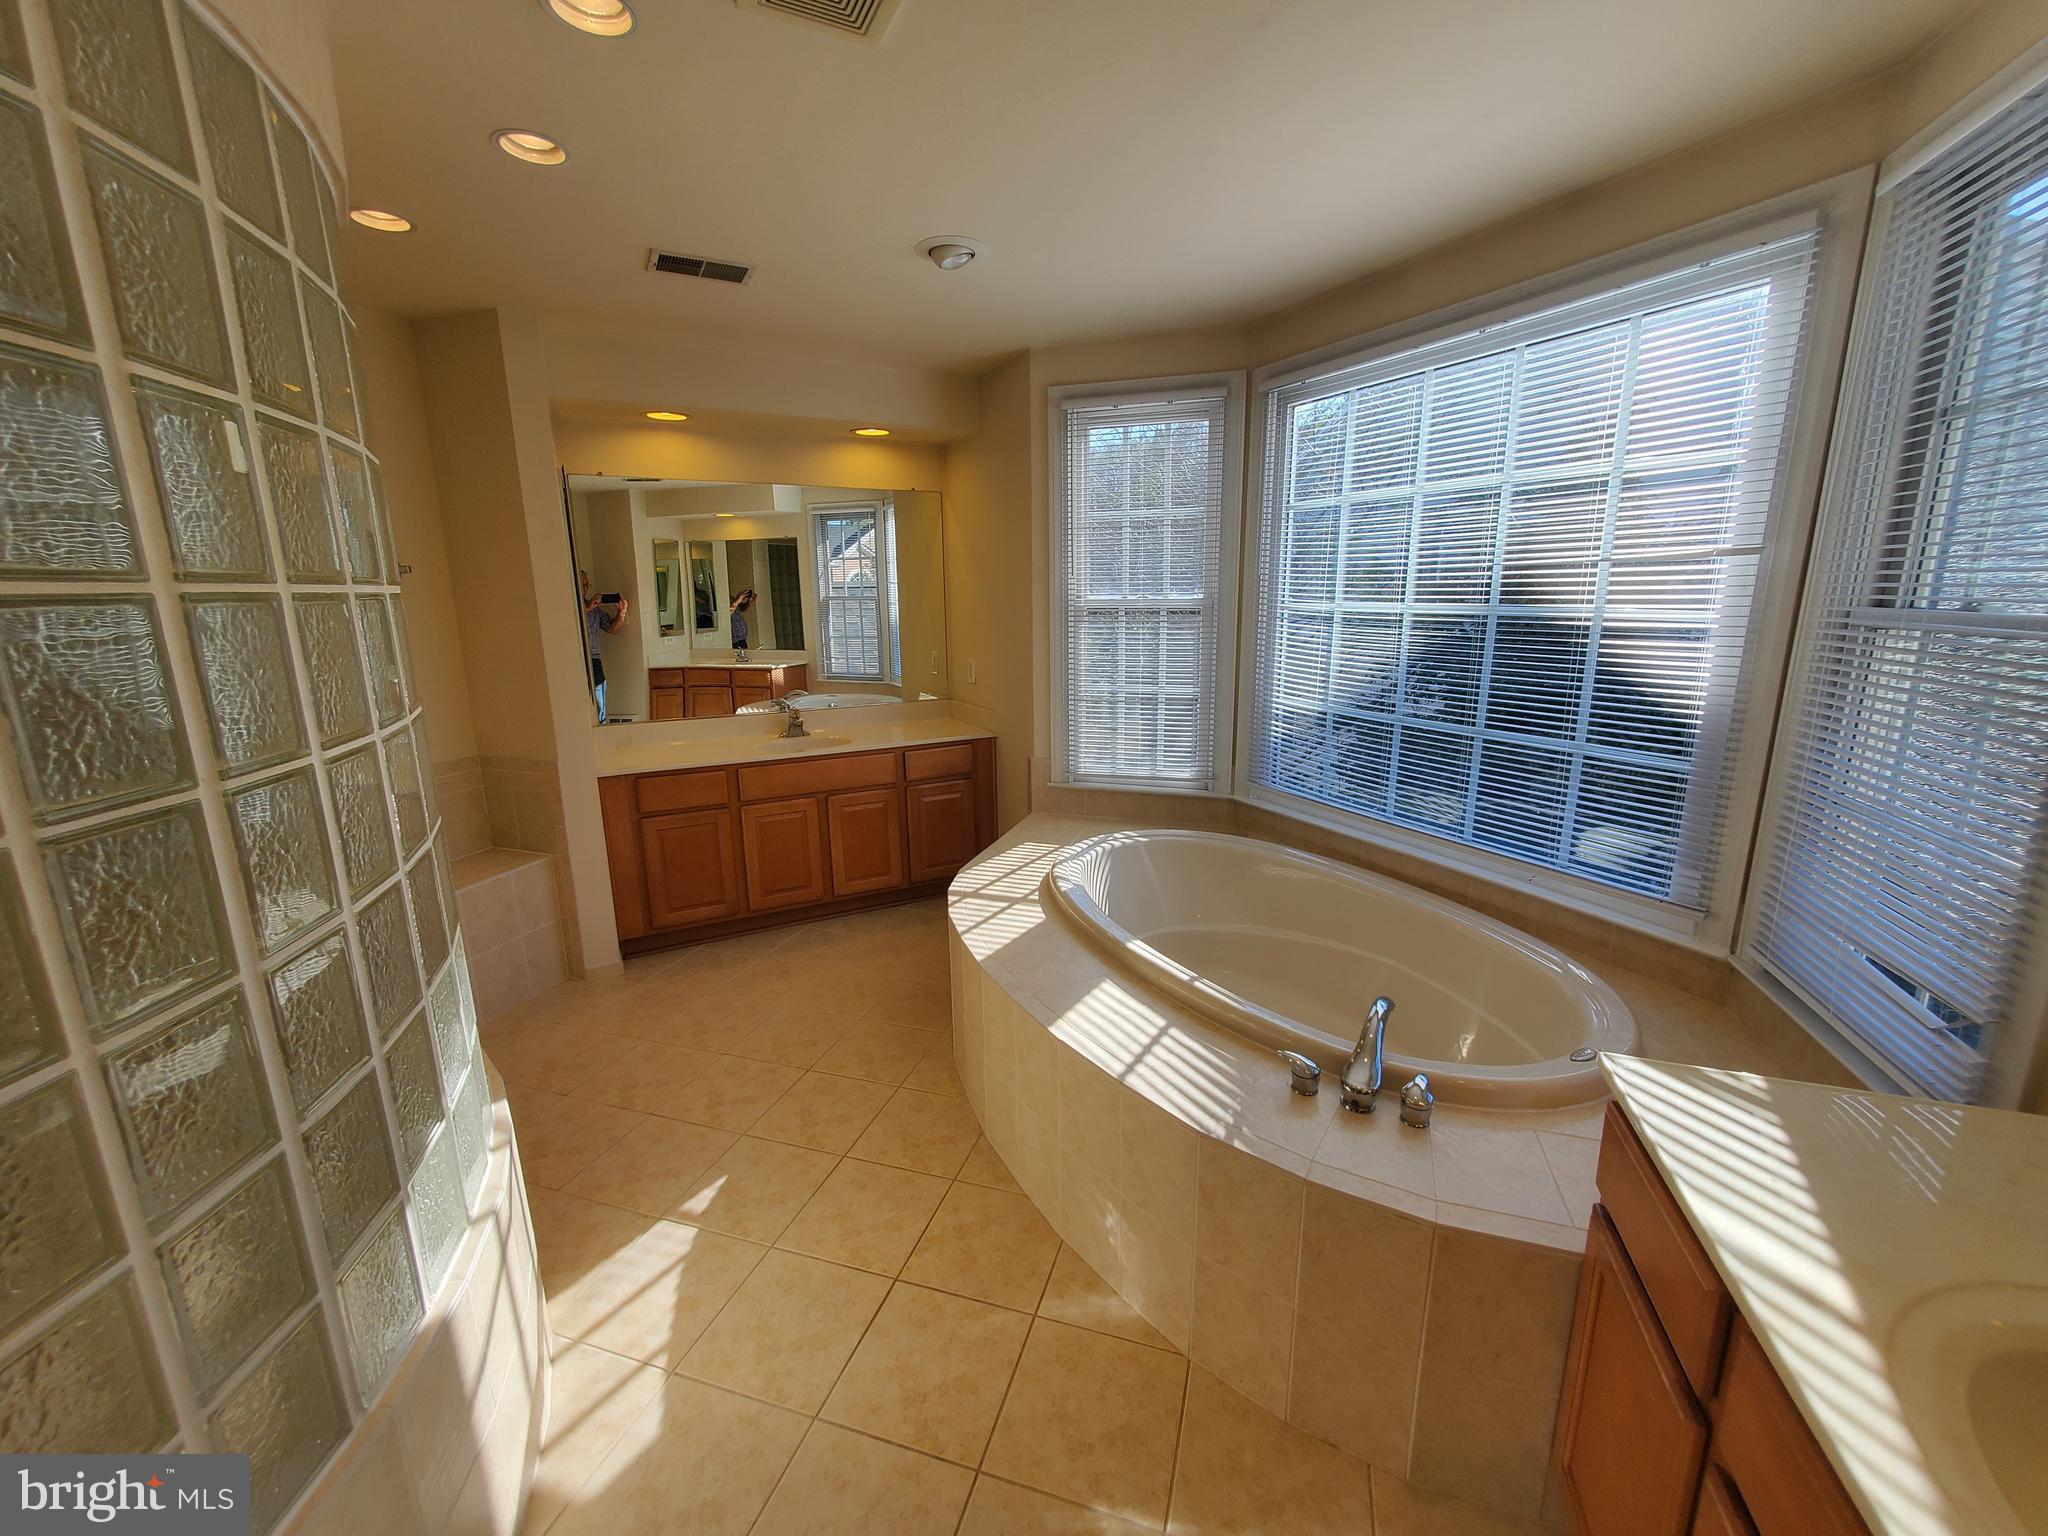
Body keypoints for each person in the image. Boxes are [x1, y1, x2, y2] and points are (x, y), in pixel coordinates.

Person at [579, 570, 627, 722]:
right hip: (574, 662)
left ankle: (601, 727)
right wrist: (587, 609)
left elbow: (612, 628)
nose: (586, 588)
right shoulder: (566, 608)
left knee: (600, 705)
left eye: (587, 584)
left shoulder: (595, 610)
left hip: (594, 662)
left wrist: (622, 612)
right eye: (582, 584)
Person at [730, 588, 756, 660]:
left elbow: (742, 608)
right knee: (740, 659)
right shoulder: (730, 603)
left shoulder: (734, 602)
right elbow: (727, 613)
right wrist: (738, 599)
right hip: (736, 641)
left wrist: (749, 601)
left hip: (741, 640)